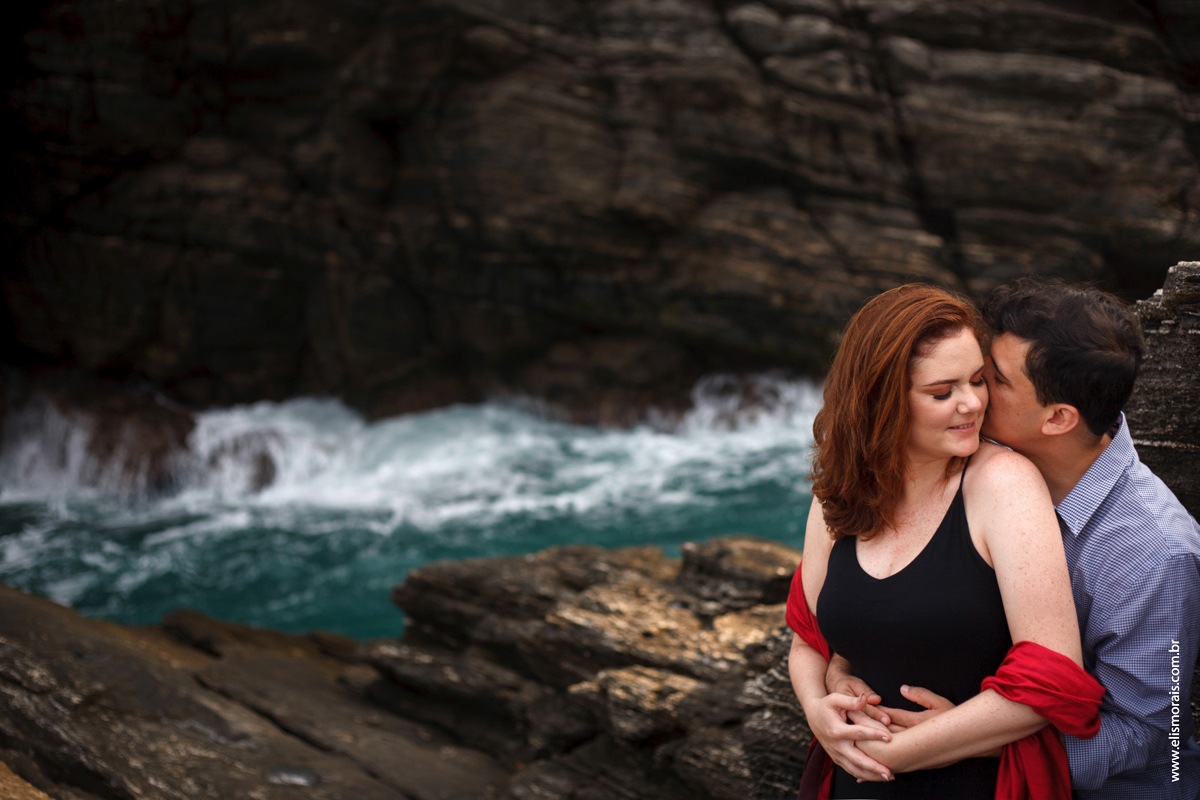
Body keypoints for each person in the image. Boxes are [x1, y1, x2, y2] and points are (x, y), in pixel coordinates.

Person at [819, 279, 1200, 797]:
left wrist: (971, 737)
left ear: (1058, 418)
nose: (973, 399)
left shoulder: (1156, 553)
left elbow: (1156, 736)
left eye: (989, 380)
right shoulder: (976, 472)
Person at [787, 283, 1101, 798]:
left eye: (978, 380)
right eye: (942, 393)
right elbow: (808, 638)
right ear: (882, 401)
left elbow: (1053, 674)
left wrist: (902, 752)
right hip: (850, 782)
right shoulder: (838, 493)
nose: (972, 403)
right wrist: (818, 708)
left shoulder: (1003, 484)